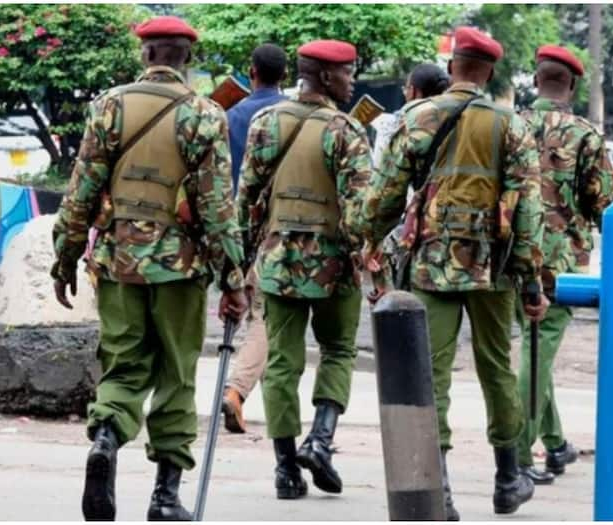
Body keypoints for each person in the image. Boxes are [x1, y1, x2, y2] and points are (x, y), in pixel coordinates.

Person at [49, 16, 248, 521]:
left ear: (146, 55)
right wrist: (233, 278)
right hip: (180, 268)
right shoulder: (205, 115)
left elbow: (81, 193)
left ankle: (107, 440)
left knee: (123, 364)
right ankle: (165, 496)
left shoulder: (108, 107)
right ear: (186, 58)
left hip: (117, 262)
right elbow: (217, 206)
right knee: (177, 375)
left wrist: (65, 257)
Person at [357, 26, 547, 519]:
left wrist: (369, 239)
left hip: (430, 264)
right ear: (488, 72)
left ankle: (436, 491)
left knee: (430, 373)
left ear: (452, 67)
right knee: (497, 369)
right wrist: (530, 280)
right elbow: (528, 212)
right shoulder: (512, 125)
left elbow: (382, 197)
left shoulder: (417, 117)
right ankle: (509, 477)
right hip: (494, 269)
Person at [236, 39, 372, 500]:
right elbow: (359, 213)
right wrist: (369, 260)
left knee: (281, 362)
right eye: (348, 73)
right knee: (337, 350)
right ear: (327, 77)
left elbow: (247, 199)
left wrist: (239, 263)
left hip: (277, 260)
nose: (351, 80)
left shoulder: (265, 123)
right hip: (334, 263)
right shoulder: (347, 130)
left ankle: (284, 470)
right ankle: (320, 439)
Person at [515, 45, 613, 484]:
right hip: (557, 265)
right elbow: (609, 207)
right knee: (536, 352)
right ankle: (517, 454)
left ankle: (555, 443)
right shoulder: (584, 135)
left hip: (509, 257)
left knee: (534, 347)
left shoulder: (511, 126)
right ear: (572, 85)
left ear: (536, 80)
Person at [220, 43, 289, 434]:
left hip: (234, 224)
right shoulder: (293, 116)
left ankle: (251, 399)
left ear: (251, 72)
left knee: (246, 309)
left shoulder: (231, 115)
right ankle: (237, 390)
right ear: (286, 74)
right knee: (264, 316)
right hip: (276, 229)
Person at [371, 63, 450, 167]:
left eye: (406, 88)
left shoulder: (401, 126)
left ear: (414, 91)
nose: (405, 93)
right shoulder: (451, 121)